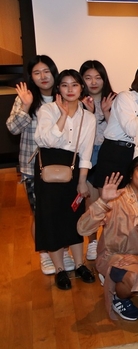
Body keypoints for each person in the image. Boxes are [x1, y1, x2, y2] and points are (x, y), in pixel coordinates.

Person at [77, 156, 138, 320]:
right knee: (135, 278)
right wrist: (102, 201)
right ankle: (118, 296)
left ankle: (125, 280)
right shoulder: (115, 198)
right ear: (131, 174)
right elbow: (82, 229)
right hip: (112, 256)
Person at [35, 69, 97, 290]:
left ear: (81, 88)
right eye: (65, 85)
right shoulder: (47, 110)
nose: (70, 89)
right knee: (50, 218)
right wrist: (62, 116)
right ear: (58, 89)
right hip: (47, 167)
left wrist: (82, 180)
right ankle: (60, 268)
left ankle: (80, 264)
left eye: (75, 85)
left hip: (73, 168)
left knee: (74, 216)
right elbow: (46, 140)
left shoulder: (88, 117)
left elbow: (86, 152)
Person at [6, 55, 60, 274]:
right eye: (37, 73)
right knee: (40, 213)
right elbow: (12, 128)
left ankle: (61, 250)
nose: (43, 77)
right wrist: (26, 106)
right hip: (32, 167)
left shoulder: (62, 95)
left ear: (54, 72)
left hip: (61, 166)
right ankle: (45, 253)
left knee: (60, 212)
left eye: (46, 71)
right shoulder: (25, 98)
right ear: (31, 76)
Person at [79, 60, 117, 261]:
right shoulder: (77, 102)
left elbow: (118, 131)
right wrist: (89, 113)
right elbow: (81, 133)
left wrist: (107, 111)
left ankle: (108, 242)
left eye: (98, 77)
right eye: (88, 78)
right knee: (91, 202)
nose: (93, 82)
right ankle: (92, 242)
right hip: (88, 154)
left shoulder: (114, 99)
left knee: (111, 203)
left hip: (109, 152)